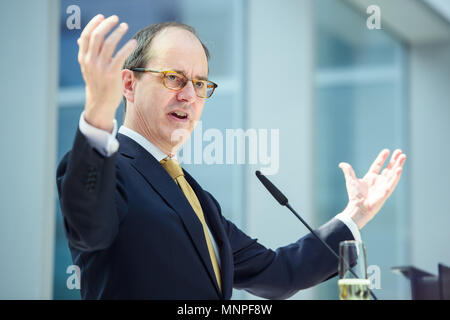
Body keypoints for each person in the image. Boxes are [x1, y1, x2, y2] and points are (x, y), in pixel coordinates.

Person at [56, 14, 407, 300]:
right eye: (173, 78)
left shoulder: (196, 197)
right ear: (129, 85)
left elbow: (278, 274)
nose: (189, 95)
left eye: (200, 84)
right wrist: (99, 113)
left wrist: (355, 215)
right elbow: (89, 229)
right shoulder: (104, 168)